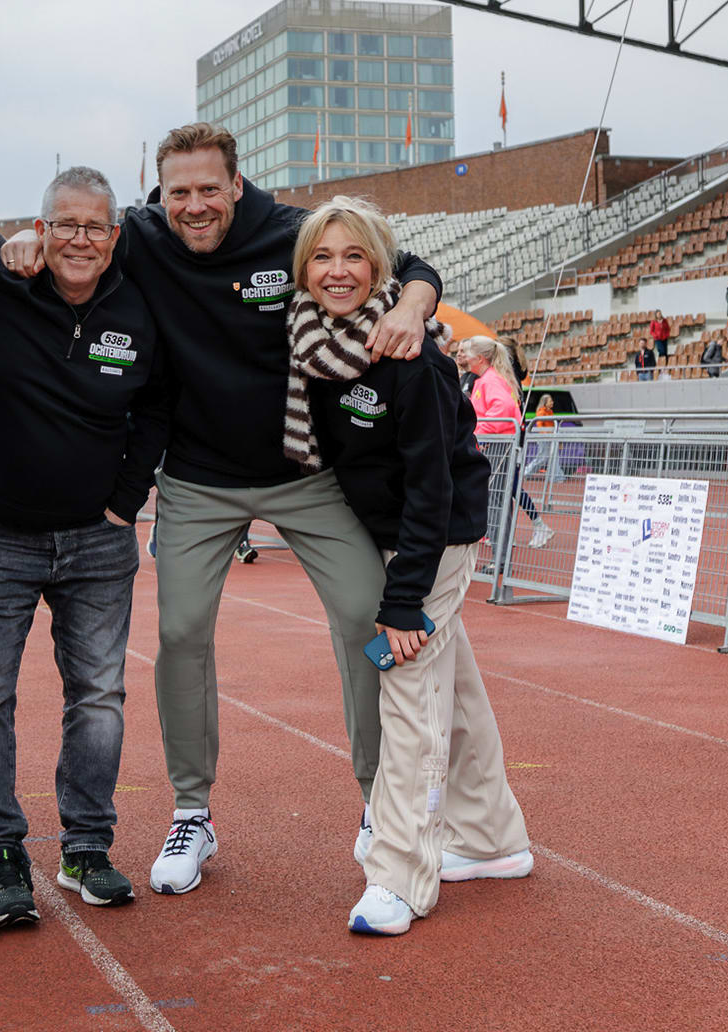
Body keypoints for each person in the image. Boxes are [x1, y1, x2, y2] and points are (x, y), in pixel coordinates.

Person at [0, 123, 445, 895]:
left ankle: (376, 803)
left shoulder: (291, 235)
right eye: (178, 192)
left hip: (301, 469)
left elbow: (405, 261)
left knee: (365, 617)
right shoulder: (138, 237)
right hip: (198, 478)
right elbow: (29, 230)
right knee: (180, 632)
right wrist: (17, 231)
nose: (194, 206)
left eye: (208, 190)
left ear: (237, 186)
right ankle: (192, 810)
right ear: (158, 199)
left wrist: (414, 304)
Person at [285, 198, 528, 936]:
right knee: (450, 683)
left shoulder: (413, 357)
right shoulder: (306, 344)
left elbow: (434, 487)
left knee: (409, 690)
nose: (338, 271)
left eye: (354, 256)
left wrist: (403, 599)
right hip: (382, 533)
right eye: (323, 257)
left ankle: (400, 874)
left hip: (436, 537)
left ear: (381, 267)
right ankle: (492, 841)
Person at [0, 166, 168, 922]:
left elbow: (157, 412)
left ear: (114, 237)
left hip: (97, 545)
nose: (78, 238)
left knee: (99, 697)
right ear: (39, 229)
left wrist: (125, 501)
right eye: (62, 223)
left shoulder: (139, 308)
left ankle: (86, 847)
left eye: (93, 226)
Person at [464, 335, 553, 549]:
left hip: (499, 445)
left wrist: (475, 432)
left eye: (466, 351)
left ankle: (502, 551)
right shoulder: (486, 379)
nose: (463, 356)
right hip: (496, 444)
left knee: (501, 496)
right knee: (501, 496)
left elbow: (502, 411)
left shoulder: (491, 380)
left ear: (480, 357)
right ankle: (500, 547)